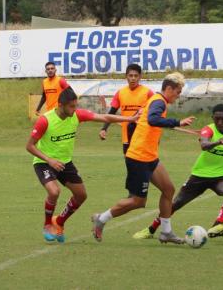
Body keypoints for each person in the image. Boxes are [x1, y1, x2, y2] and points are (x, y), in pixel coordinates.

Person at [132, 103, 223, 240]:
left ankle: (217, 225)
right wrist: (217, 142)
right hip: (199, 176)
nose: (220, 122)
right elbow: (204, 145)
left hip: (221, 177)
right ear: (212, 118)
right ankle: (150, 230)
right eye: (217, 119)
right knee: (175, 204)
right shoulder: (208, 130)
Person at [91, 72, 195, 244]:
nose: (178, 95)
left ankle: (166, 232)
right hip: (138, 157)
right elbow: (153, 119)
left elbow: (145, 120)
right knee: (137, 201)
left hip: (150, 156)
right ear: (169, 88)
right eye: (177, 91)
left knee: (168, 189)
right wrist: (177, 122)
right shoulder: (158, 101)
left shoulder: (156, 100)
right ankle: (101, 219)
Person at [26, 87, 140, 243]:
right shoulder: (45, 120)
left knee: (81, 195)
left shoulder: (77, 115)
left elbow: (104, 117)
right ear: (61, 105)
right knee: (54, 192)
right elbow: (30, 146)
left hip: (65, 162)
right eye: (71, 106)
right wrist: (49, 160)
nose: (75, 109)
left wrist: (130, 119)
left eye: (76, 105)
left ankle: (58, 222)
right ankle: (47, 225)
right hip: (44, 162)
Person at [99, 64, 154, 154]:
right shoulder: (120, 93)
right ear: (126, 76)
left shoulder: (148, 93)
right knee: (130, 166)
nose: (133, 78)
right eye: (130, 75)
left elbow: (156, 111)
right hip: (126, 137)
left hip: (143, 137)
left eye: (136, 76)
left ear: (140, 77)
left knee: (143, 166)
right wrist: (104, 128)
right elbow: (111, 113)